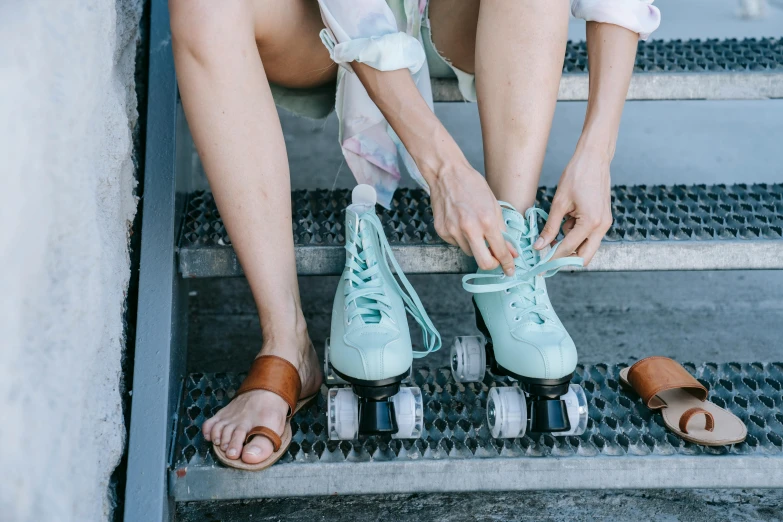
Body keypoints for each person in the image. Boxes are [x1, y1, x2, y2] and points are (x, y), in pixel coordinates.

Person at [168, 0, 661, 467]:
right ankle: (286, 342)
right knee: (204, 6)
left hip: (462, 22)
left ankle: (509, 253)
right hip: (323, 23)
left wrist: (598, 150)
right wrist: (444, 169)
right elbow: (353, 11)